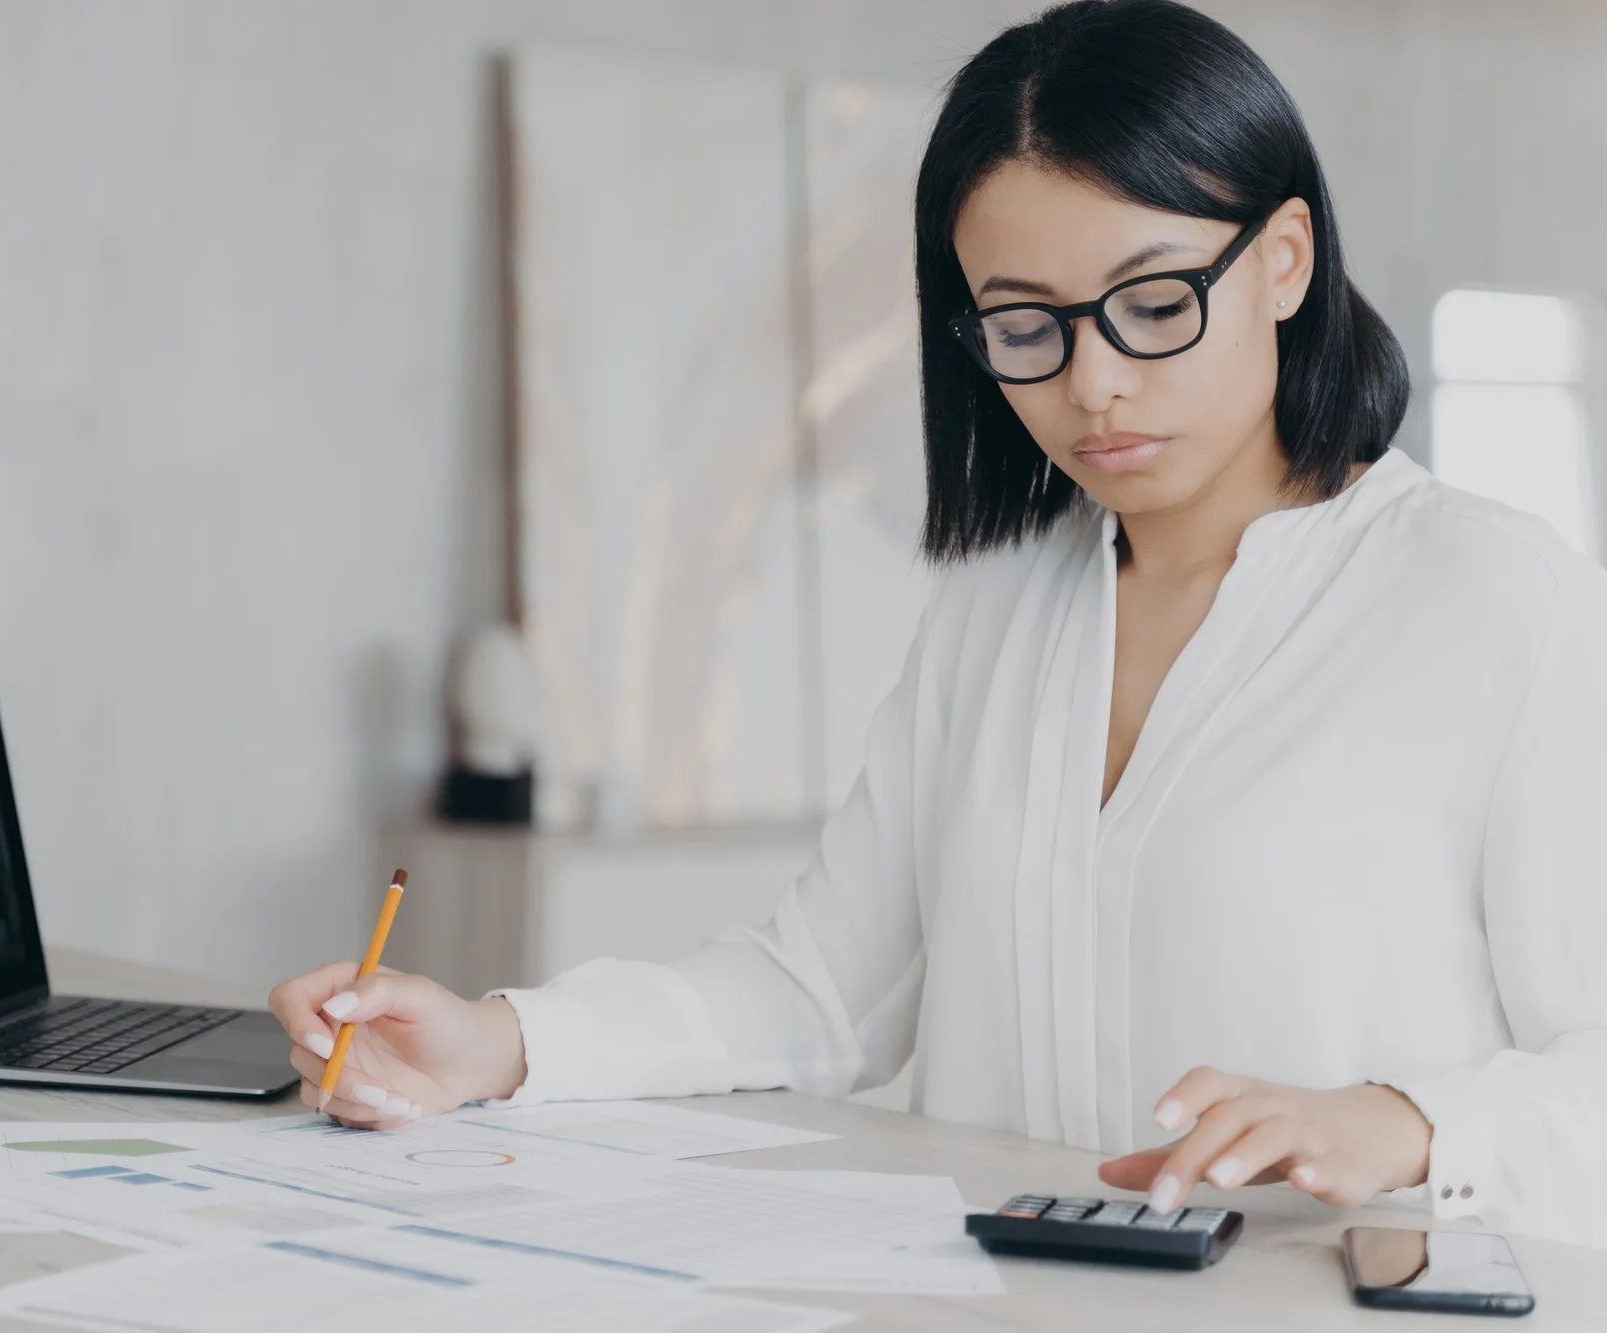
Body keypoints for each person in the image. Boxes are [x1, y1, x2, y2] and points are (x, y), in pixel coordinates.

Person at [268, 0, 1607, 1247]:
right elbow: (817, 992)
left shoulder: (1496, 603)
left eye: (1153, 306)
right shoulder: (998, 608)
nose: (1094, 385)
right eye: (1026, 326)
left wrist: (1406, 1121)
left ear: (1285, 263)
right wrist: (494, 1042)